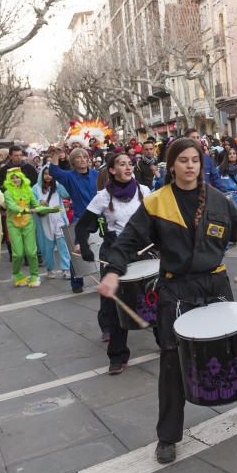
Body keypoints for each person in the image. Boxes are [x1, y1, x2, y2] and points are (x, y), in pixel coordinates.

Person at [97, 138, 237, 464]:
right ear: (171, 165)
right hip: (176, 289)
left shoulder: (218, 199)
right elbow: (126, 242)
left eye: (195, 160)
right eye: (183, 160)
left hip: (216, 281)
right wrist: (113, 272)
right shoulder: (156, 203)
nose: (190, 165)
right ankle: (168, 435)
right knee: (172, 359)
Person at [75, 152, 150, 374]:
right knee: (115, 305)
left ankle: (163, 338)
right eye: (121, 164)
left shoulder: (144, 192)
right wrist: (85, 247)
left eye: (130, 164)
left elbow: (158, 219)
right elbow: (82, 227)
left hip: (143, 251)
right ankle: (117, 355)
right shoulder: (102, 197)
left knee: (153, 296)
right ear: (112, 170)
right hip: (116, 253)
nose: (127, 168)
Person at [47, 147, 99, 294]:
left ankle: (105, 278)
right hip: (80, 219)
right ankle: (77, 283)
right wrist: (56, 155)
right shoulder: (70, 176)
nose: (82, 159)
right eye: (78, 157)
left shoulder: (97, 174)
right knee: (77, 252)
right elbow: (54, 172)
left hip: (99, 217)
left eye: (85, 156)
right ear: (72, 161)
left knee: (102, 248)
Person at [2, 169, 41, 288]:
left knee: (30, 251)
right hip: (13, 225)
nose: (15, 180)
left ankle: (34, 275)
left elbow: (36, 205)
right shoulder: (7, 193)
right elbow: (12, 207)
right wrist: (25, 210)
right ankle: (17, 274)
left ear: (21, 178)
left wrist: (46, 208)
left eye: (17, 177)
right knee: (18, 253)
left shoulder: (28, 191)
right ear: (9, 181)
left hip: (28, 224)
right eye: (12, 178)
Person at [33, 166, 71, 279]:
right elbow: (32, 203)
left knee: (63, 245)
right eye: (45, 174)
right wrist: (39, 203)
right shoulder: (36, 188)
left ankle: (66, 269)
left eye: (50, 174)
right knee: (47, 247)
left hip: (59, 219)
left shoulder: (58, 186)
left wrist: (60, 180)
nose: (48, 176)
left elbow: (66, 194)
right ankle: (49, 269)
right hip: (44, 221)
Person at [214, 147, 237, 224]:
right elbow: (216, 184)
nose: (232, 155)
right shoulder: (219, 169)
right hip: (224, 198)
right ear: (227, 156)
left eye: (234, 153)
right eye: (230, 154)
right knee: (226, 223)